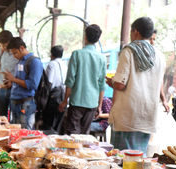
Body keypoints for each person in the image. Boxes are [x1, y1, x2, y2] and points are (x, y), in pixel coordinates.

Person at [106, 17, 166, 154]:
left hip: (127, 117)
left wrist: (110, 82)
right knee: (139, 160)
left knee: (121, 161)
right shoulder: (160, 56)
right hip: (147, 116)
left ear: (136, 32)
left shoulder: (129, 51)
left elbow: (120, 84)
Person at [58, 24, 107, 135]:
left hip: (77, 102)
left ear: (85, 37)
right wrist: (99, 105)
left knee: (73, 135)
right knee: (85, 135)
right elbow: (102, 84)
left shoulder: (77, 54)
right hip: (92, 103)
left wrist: (65, 100)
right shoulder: (102, 58)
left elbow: (70, 80)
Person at [2, 37, 43, 130]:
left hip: (25, 102)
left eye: (15, 53)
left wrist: (13, 79)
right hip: (15, 101)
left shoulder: (34, 62)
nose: (14, 56)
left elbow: (33, 84)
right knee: (15, 130)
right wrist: (11, 82)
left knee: (24, 131)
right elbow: (20, 80)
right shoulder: (20, 61)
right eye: (12, 54)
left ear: (22, 48)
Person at [0, 30, 19, 117]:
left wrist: (13, 82)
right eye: (1, 45)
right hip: (2, 88)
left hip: (14, 88)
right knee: (1, 116)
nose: (3, 47)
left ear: (10, 41)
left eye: (5, 44)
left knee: (14, 116)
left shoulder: (18, 51)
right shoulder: (1, 51)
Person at [43, 45, 65, 132]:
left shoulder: (51, 64)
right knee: (58, 123)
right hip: (63, 95)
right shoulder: (64, 64)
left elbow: (49, 81)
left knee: (49, 122)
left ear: (51, 54)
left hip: (53, 96)